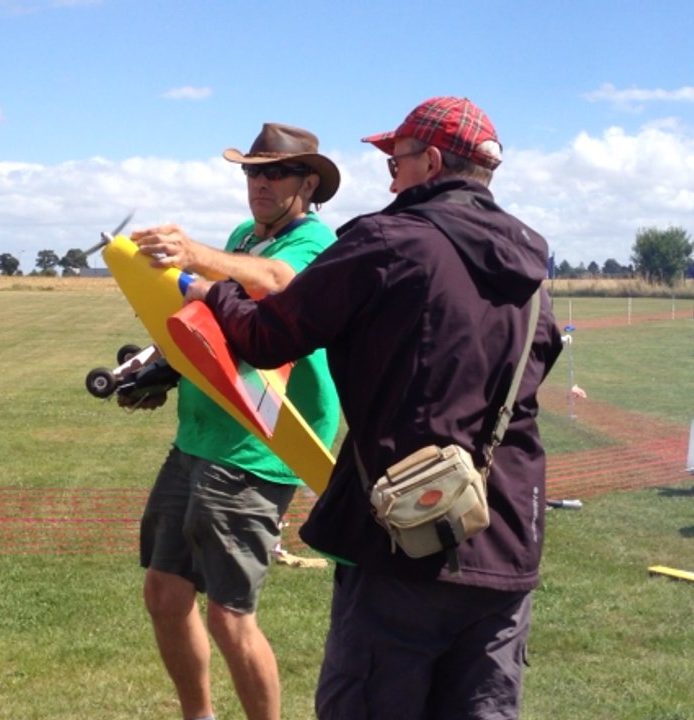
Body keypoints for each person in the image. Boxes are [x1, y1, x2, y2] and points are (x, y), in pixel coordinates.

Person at [185, 97, 563, 719]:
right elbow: (534, 367)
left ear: (433, 161)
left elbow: (265, 336)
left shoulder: (387, 240)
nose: (390, 173)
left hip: (402, 543)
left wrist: (214, 292)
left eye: (398, 157)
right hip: (505, 536)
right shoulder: (531, 270)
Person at [129, 123, 342, 720]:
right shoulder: (244, 237)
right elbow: (210, 322)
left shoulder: (315, 244)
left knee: (229, 613)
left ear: (309, 183)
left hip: (261, 442)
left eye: (274, 172)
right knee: (165, 593)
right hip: (201, 432)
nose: (259, 183)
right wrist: (158, 372)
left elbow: (276, 286)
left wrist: (195, 255)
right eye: (252, 171)